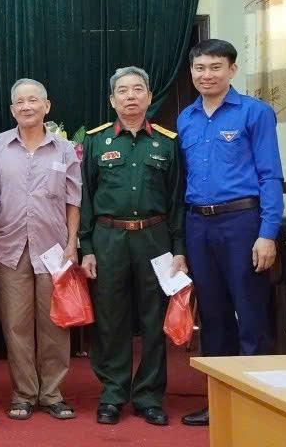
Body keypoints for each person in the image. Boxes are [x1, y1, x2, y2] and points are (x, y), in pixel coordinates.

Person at [176, 39, 283, 427]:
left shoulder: (255, 112)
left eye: (215, 67)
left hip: (242, 223)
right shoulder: (185, 118)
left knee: (251, 313)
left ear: (232, 70)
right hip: (198, 225)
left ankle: (257, 405)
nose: (207, 75)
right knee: (214, 316)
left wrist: (268, 232)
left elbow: (270, 175)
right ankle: (219, 403)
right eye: (200, 68)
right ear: (191, 72)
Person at [78, 67, 185, 427]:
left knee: (154, 319)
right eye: (122, 91)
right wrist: (86, 247)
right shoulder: (97, 141)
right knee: (111, 319)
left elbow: (177, 199)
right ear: (112, 100)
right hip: (109, 239)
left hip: (155, 238)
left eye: (138, 89)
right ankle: (112, 393)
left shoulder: (167, 142)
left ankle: (149, 396)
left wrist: (180, 248)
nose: (130, 96)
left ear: (150, 97)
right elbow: (86, 198)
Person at [0, 78, 81, 422]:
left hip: (53, 249)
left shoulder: (65, 149)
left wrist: (72, 243)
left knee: (55, 323)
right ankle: (24, 393)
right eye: (20, 102)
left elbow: (74, 201)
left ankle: (52, 393)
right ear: (12, 109)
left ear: (47, 106)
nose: (26, 106)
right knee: (16, 324)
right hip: (10, 246)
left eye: (33, 100)